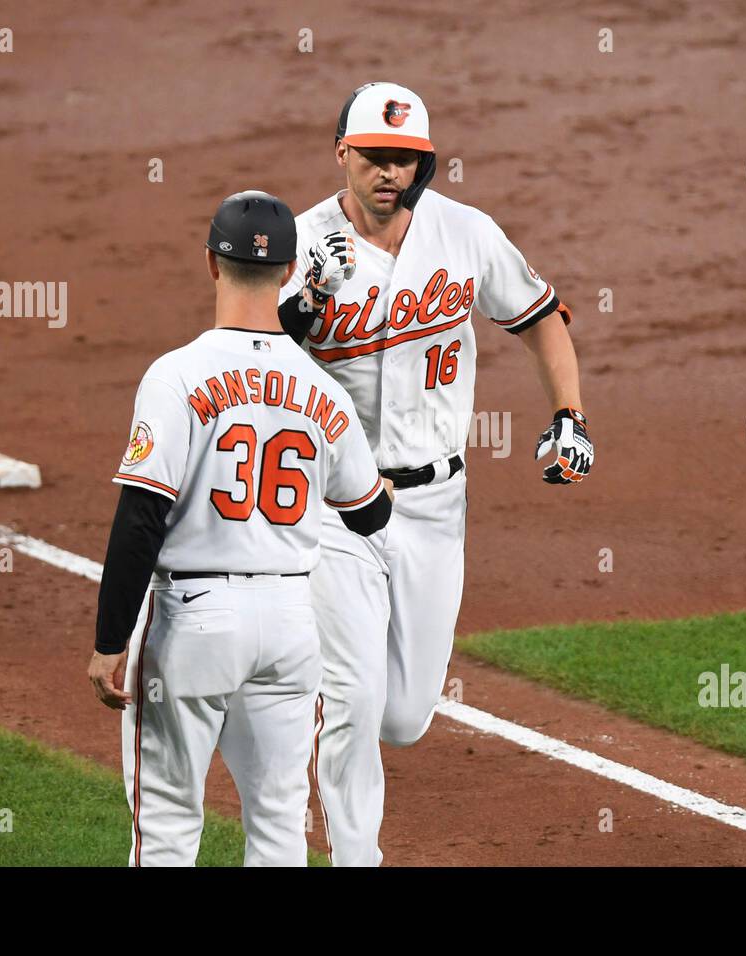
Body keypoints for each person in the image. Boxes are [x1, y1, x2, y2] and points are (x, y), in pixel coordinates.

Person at [276, 82, 595, 865]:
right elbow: (257, 359)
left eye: (409, 160)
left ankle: (301, 681)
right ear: (343, 152)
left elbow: (542, 317)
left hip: (435, 503)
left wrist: (570, 416)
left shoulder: (465, 233)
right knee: (354, 700)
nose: (392, 173)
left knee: (406, 715)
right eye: (378, 157)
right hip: (336, 505)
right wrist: (307, 300)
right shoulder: (303, 241)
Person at [87, 191, 392, 866]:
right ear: (288, 273)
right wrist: (380, 489)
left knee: (166, 827)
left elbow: (141, 517)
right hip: (289, 624)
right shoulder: (324, 392)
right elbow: (369, 512)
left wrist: (110, 641)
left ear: (210, 265)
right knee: (281, 824)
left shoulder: (176, 376)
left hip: (195, 623)